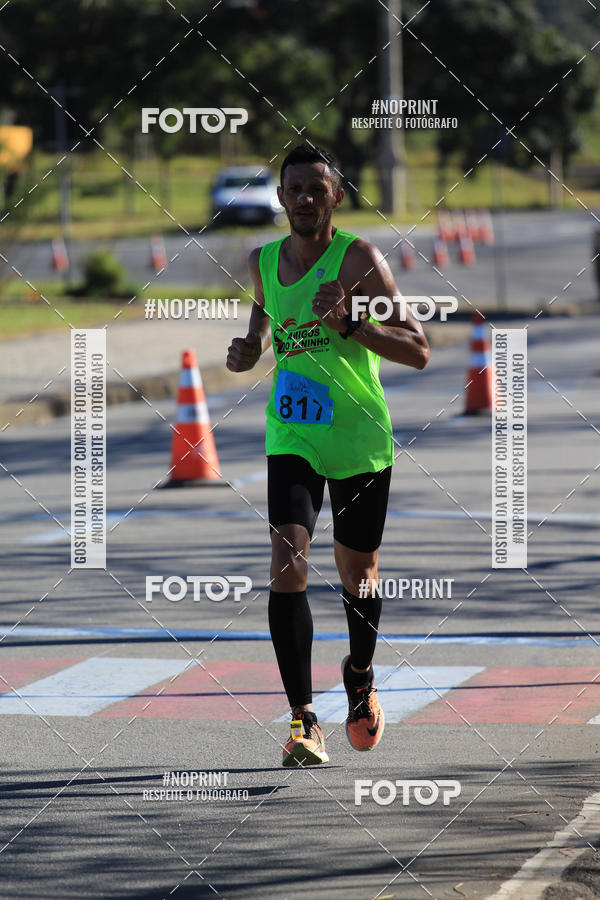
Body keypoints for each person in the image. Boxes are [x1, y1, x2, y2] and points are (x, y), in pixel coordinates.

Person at [226, 143, 429, 766]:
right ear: (280, 197)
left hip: (360, 439)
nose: (307, 198)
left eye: (319, 188)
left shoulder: (359, 260)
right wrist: (252, 346)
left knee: (358, 574)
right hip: (292, 434)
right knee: (288, 560)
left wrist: (352, 327)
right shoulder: (260, 261)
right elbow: (265, 312)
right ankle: (302, 719)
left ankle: (360, 674)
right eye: (296, 189)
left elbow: (418, 348)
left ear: (336, 196)